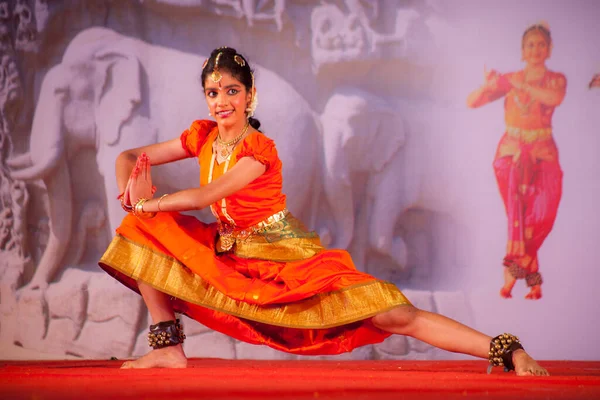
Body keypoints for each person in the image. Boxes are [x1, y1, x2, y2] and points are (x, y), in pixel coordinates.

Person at [99, 46, 548, 375]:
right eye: (213, 92)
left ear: (250, 95)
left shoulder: (259, 149)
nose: (222, 101)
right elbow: (130, 156)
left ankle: (506, 349)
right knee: (141, 228)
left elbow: (205, 194)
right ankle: (168, 346)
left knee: (393, 314)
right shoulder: (201, 135)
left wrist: (149, 202)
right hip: (229, 251)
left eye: (231, 91)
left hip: (282, 256)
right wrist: (129, 188)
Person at [466, 22, 566, 300]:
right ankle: (529, 280)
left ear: (549, 49)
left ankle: (517, 271)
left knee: (543, 214)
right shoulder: (511, 79)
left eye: (541, 44)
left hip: (543, 151)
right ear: (522, 51)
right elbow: (472, 102)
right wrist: (486, 86)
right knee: (519, 218)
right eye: (530, 45)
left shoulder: (556, 79)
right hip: (511, 154)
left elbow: (553, 98)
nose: (536, 49)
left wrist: (522, 84)